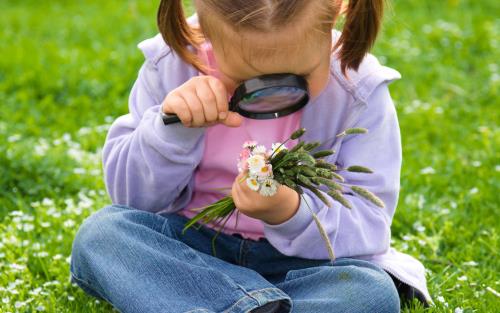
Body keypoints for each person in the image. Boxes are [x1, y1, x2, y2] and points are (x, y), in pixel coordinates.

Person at [70, 1, 432, 312]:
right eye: (245, 83)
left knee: (369, 294)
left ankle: (220, 303)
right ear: (207, 23)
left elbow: (370, 225)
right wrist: (171, 129)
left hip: (304, 266)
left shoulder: (357, 88)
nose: (272, 100)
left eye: (297, 80)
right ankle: (254, 305)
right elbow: (131, 201)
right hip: (194, 250)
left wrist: (291, 213)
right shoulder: (174, 61)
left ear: (336, 7)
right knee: (101, 235)